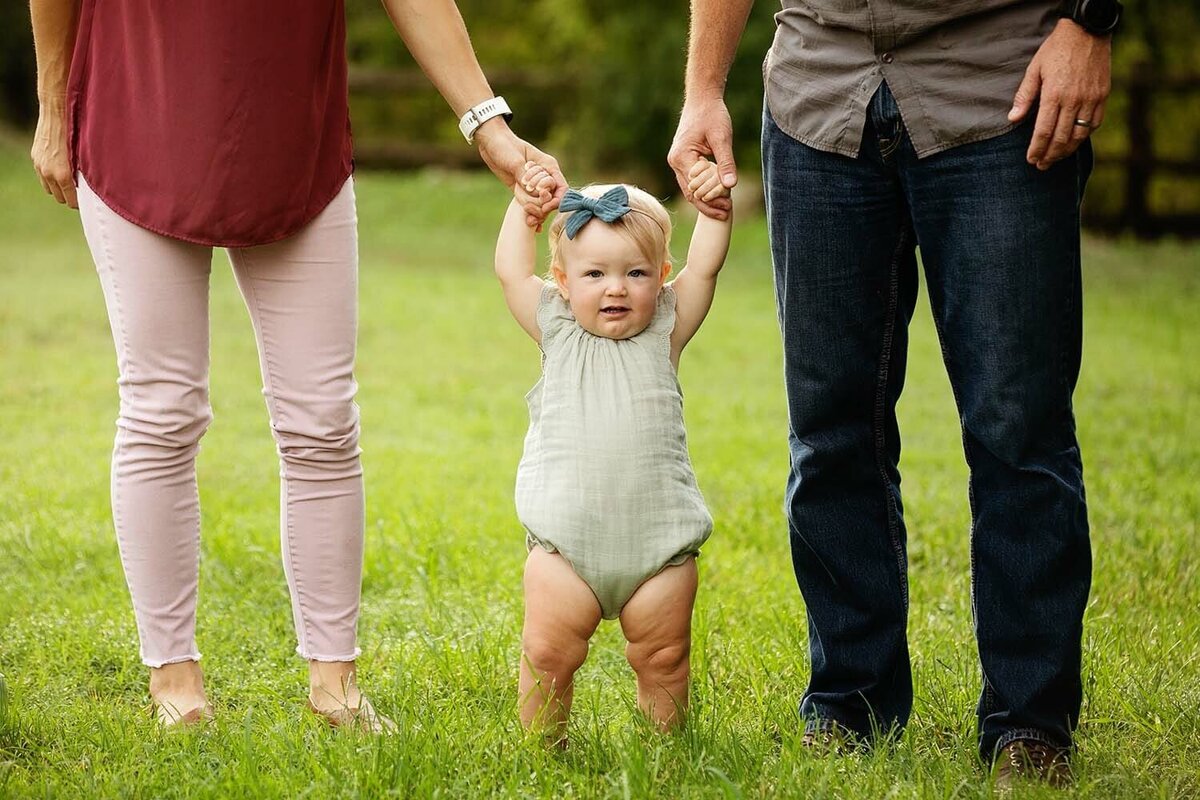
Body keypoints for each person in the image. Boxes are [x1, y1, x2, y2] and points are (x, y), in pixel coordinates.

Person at [28, 0, 566, 730]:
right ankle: (175, 683)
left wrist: (489, 126)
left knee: (322, 420)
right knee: (163, 408)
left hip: (288, 134)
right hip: (137, 112)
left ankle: (335, 684)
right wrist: (53, 108)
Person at [669, 0, 1111, 786]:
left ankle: (1030, 723)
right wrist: (704, 88)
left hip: (1001, 84)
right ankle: (848, 705)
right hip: (818, 88)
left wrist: (1090, 23)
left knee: (1018, 428)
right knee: (829, 428)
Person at [494, 160, 732, 744]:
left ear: (661, 276)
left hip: (658, 549)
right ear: (564, 280)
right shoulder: (555, 328)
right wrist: (524, 211)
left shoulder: (664, 332)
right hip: (564, 548)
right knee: (547, 654)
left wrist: (714, 212)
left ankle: (662, 758)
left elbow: (704, 269)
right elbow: (508, 273)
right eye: (595, 273)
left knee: (665, 659)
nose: (617, 287)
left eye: (636, 272)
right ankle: (540, 754)